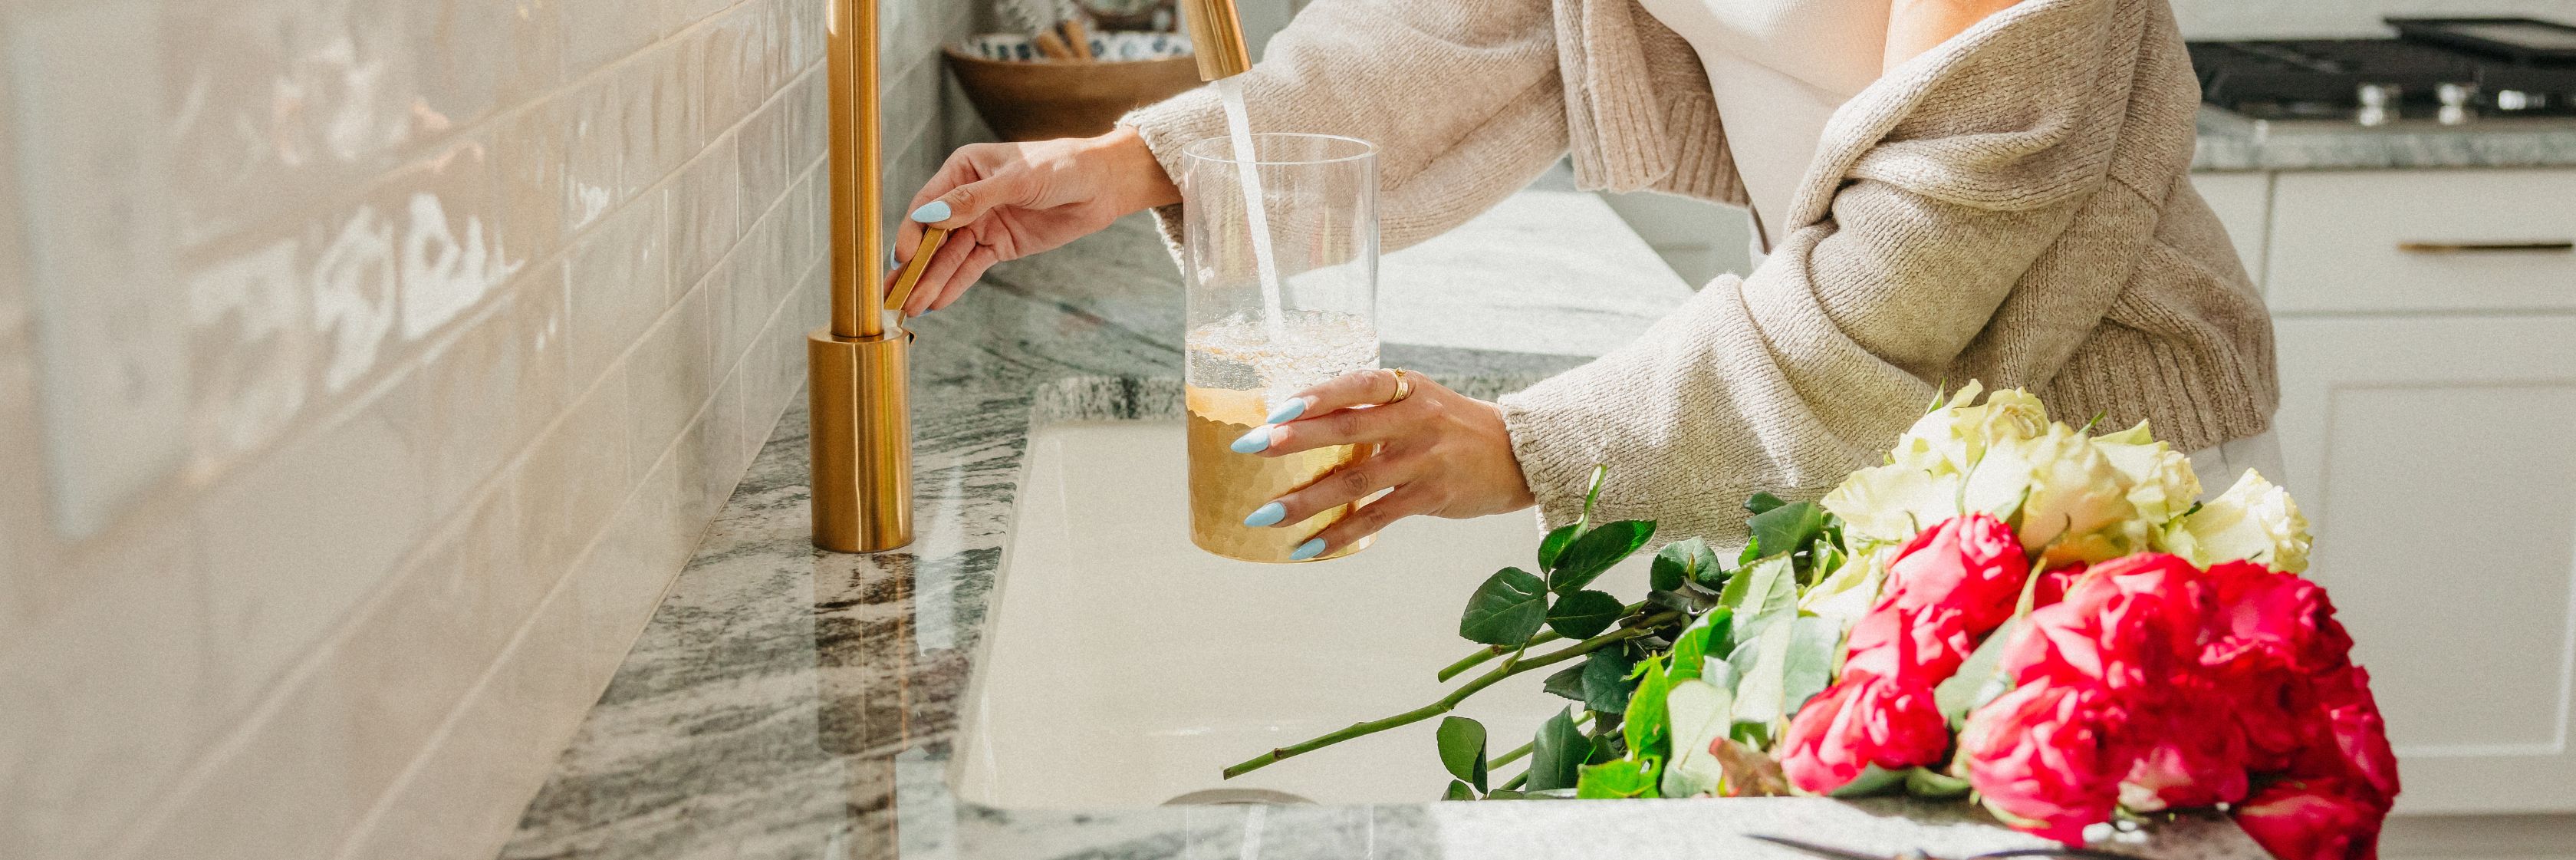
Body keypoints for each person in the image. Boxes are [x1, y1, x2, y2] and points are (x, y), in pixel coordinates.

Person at [887, 0, 2282, 555]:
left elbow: (1899, 292)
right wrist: (1142, 159)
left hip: (2104, 461)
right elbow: (1468, 32)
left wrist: (1526, 447)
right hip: (1880, 456)